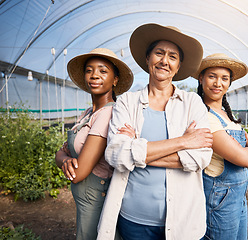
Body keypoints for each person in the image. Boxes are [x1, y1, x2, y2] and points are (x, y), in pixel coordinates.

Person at [97, 23, 213, 240]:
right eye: (159, 53)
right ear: (148, 59)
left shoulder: (192, 103)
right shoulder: (127, 103)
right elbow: (115, 155)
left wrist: (137, 151)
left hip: (183, 220)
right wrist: (184, 141)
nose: (164, 61)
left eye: (172, 56)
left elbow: (201, 157)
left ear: (178, 67)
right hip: (134, 219)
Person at [55, 48, 133, 240]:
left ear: (115, 80)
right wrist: (64, 158)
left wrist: (65, 159)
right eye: (89, 70)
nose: (94, 75)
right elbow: (60, 152)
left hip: (94, 196)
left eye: (102, 71)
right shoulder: (89, 112)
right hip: (85, 198)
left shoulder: (108, 114)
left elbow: (78, 173)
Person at [194, 53, 248, 240]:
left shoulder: (224, 114)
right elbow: (246, 159)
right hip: (219, 199)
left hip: (238, 197)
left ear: (229, 83)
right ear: (201, 78)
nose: (218, 83)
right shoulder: (204, 116)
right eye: (212, 76)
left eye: (224, 78)